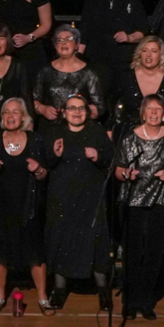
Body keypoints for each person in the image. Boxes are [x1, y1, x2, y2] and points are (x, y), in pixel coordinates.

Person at [113, 95, 164, 320]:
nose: (154, 113)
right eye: (150, 109)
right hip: (134, 199)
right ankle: (129, 302)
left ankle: (145, 302)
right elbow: (118, 170)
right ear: (143, 113)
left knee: (154, 253)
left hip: (161, 199)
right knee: (134, 253)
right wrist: (127, 174)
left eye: (158, 109)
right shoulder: (129, 138)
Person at [44, 93, 116, 310]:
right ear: (64, 112)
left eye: (81, 108)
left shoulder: (96, 131)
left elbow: (111, 159)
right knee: (61, 242)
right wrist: (54, 155)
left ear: (87, 111)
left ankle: (104, 293)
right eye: (72, 108)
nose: (76, 112)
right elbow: (45, 162)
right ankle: (58, 291)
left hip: (91, 198)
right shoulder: (55, 132)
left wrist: (98, 156)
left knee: (96, 243)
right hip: (61, 198)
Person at [0, 98, 53, 314]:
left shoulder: (35, 139)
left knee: (35, 254)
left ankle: (42, 298)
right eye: (6, 112)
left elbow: (44, 176)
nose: (11, 116)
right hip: (1, 206)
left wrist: (38, 169)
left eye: (15, 112)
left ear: (23, 117)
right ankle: (0, 296)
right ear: (2, 117)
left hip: (28, 206)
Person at [80, 0, 148, 90]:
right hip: (97, 59)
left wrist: (129, 37)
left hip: (124, 59)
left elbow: (143, 30)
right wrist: (78, 56)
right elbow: (84, 30)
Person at [32, 24, 104, 132]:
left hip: (80, 130)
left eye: (68, 39)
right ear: (55, 46)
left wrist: (80, 112)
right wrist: (42, 109)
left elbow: (100, 108)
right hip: (51, 129)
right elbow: (33, 100)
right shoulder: (45, 71)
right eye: (59, 40)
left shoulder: (89, 73)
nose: (64, 43)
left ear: (77, 45)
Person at [108, 35, 164, 135]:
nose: (148, 55)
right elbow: (110, 102)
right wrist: (110, 127)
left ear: (161, 55)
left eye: (153, 51)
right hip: (129, 135)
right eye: (145, 51)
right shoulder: (126, 77)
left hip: (161, 135)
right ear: (140, 53)